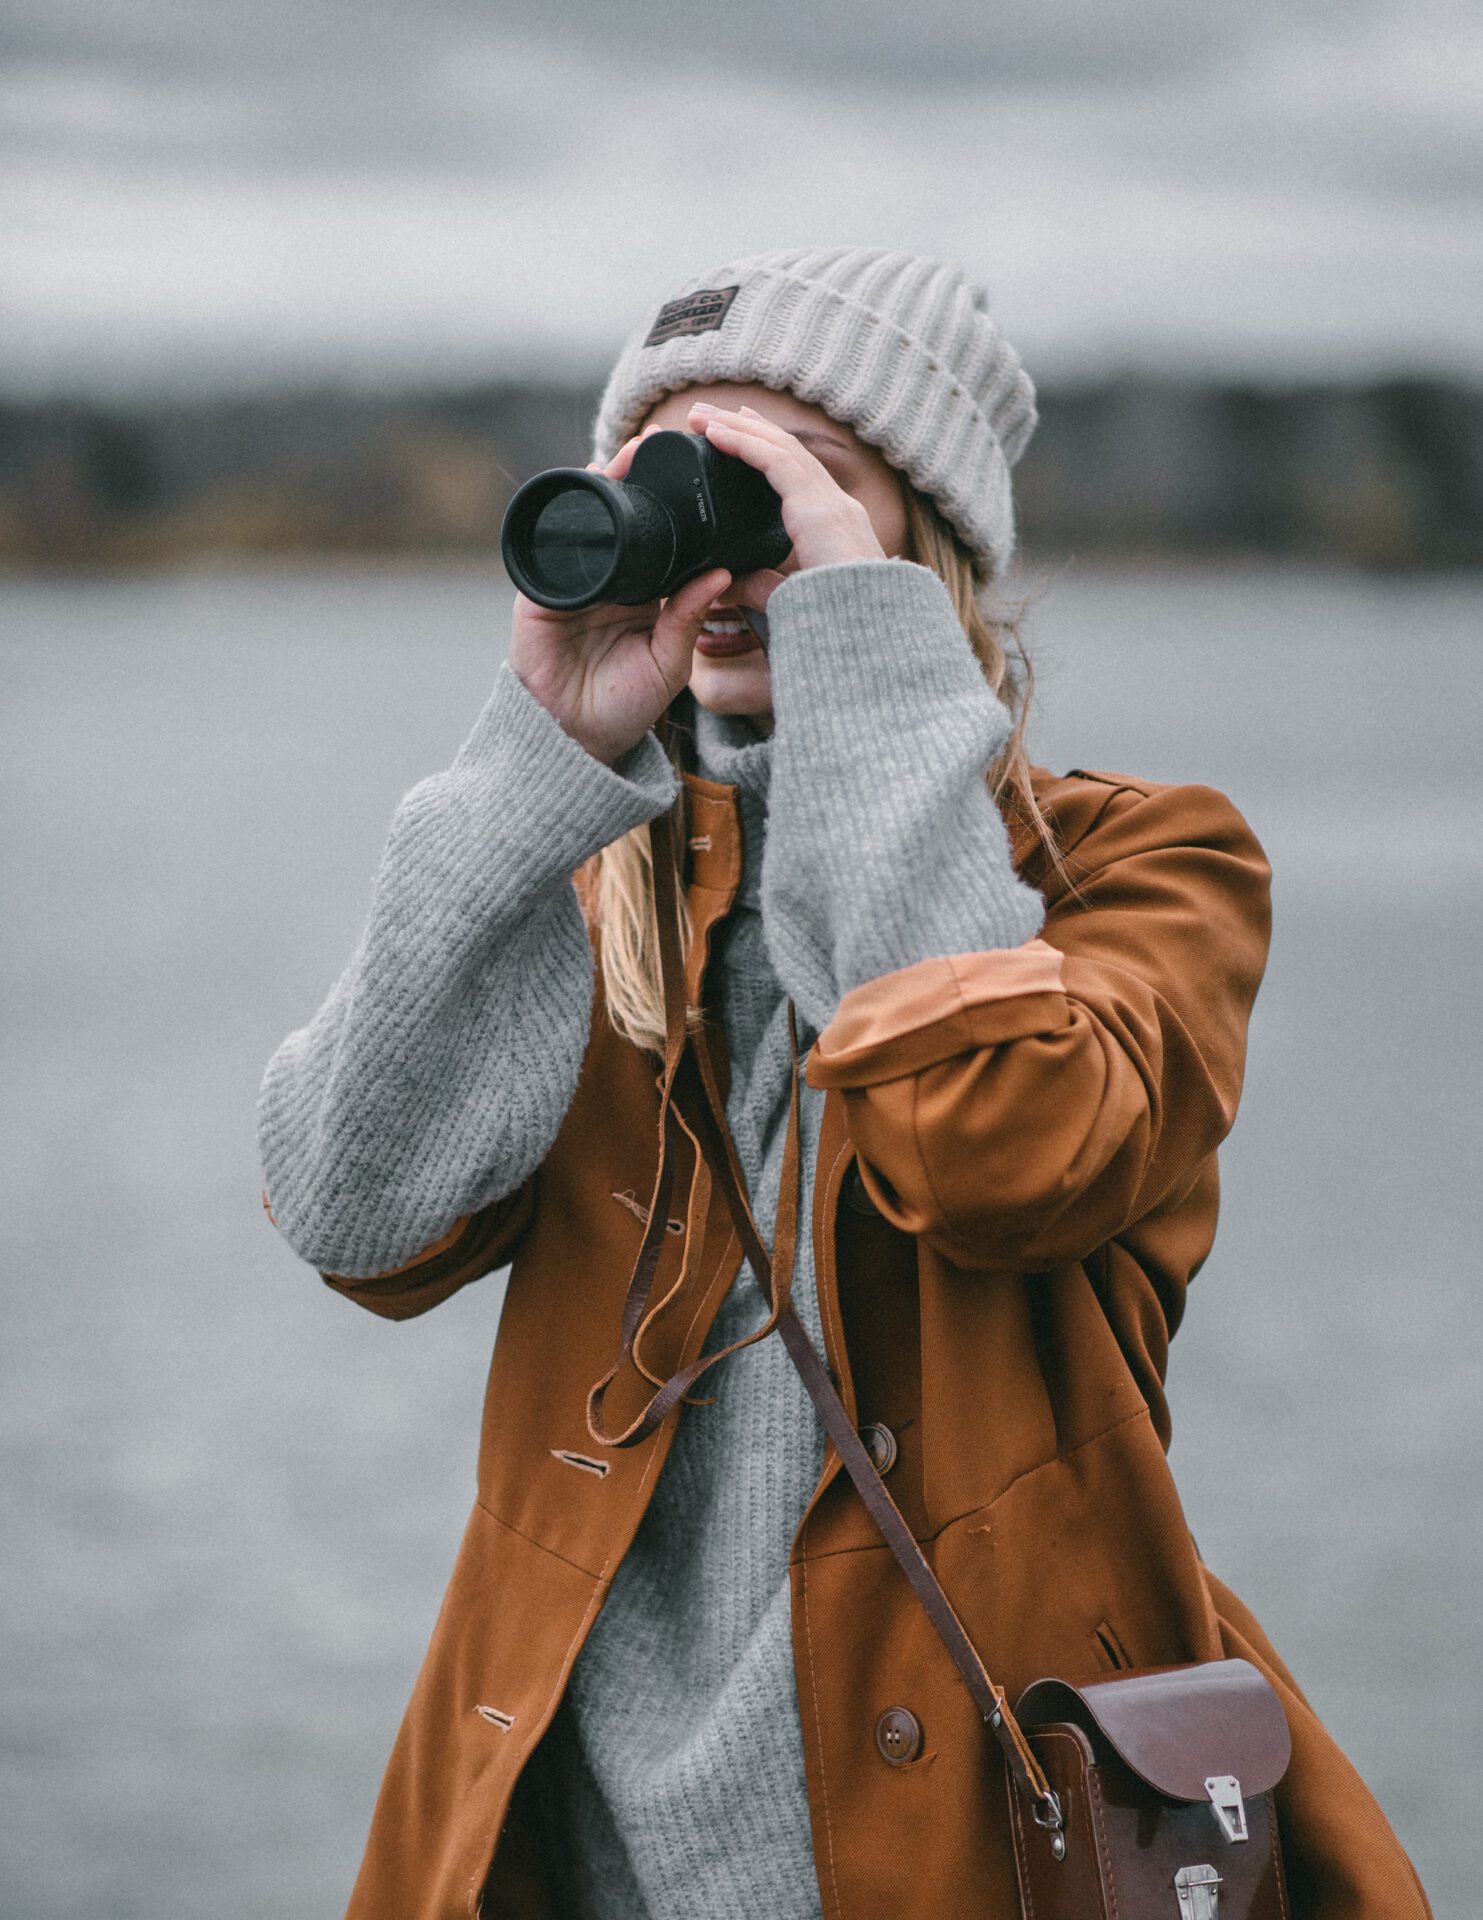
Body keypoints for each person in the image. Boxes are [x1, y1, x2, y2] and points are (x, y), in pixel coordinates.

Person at [256, 247, 1431, 1920]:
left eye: (791, 490)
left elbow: (1005, 1152)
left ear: (921, 543)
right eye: (683, 482)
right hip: (574, 1841)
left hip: (976, 1837)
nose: (730, 559)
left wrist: (861, 673)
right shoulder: (590, 898)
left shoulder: (1136, 875)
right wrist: (532, 763)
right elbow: (348, 1212)